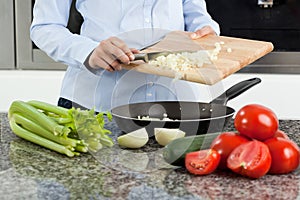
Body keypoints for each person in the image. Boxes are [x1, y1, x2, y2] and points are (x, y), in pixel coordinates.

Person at [30, 0, 220, 112]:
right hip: (96, 107)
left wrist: (204, 31)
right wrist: (88, 51)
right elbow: (44, 27)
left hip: (174, 104)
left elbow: (195, 13)